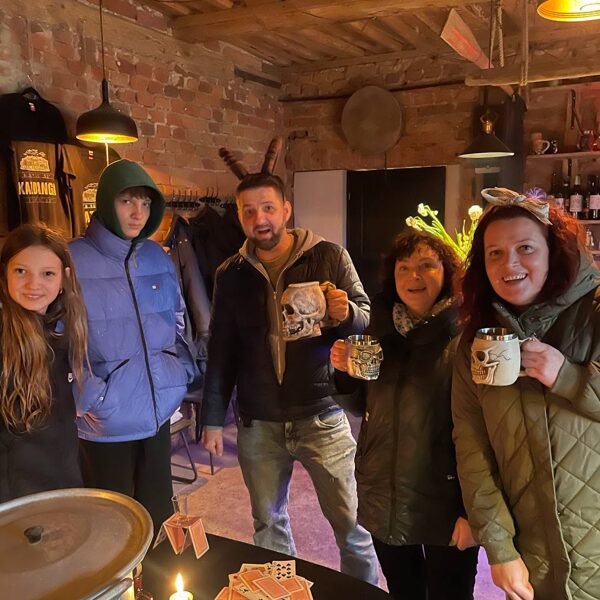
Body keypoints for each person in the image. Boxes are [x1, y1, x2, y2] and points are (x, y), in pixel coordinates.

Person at [201, 170, 379, 584]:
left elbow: (365, 317)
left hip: (322, 413)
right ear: (240, 217)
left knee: (353, 526)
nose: (259, 219)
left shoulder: (329, 255)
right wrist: (212, 418)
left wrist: (346, 313)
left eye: (267, 208)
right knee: (268, 525)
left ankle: (362, 594)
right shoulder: (230, 273)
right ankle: (281, 592)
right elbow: (221, 348)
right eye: (248, 211)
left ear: (286, 209)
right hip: (258, 420)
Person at [452, 187, 600, 600]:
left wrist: (567, 377)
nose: (510, 264)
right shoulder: (477, 343)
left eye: (525, 248)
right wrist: (499, 549)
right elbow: (472, 449)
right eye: (494, 253)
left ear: (554, 251)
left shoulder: (594, 311)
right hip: (535, 555)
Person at [330, 230, 479, 600]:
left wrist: (472, 511)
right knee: (403, 592)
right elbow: (364, 407)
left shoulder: (466, 336)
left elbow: (484, 433)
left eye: (427, 265)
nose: (414, 276)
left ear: (447, 272)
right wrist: (344, 373)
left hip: (446, 504)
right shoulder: (381, 329)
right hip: (385, 497)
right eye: (404, 268)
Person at [69, 159, 197, 530]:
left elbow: (178, 321)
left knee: (159, 522)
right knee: (111, 528)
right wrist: (89, 396)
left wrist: (178, 374)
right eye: (127, 201)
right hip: (105, 423)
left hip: (157, 415)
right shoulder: (72, 259)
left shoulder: (157, 256)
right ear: (107, 202)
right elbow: (59, 339)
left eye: (145, 202)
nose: (138, 212)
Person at [0, 223, 88, 501]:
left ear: (64, 278)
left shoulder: (58, 331)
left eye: (47, 273)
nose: (33, 284)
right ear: (4, 273)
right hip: (17, 501)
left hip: (60, 487)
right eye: (21, 271)